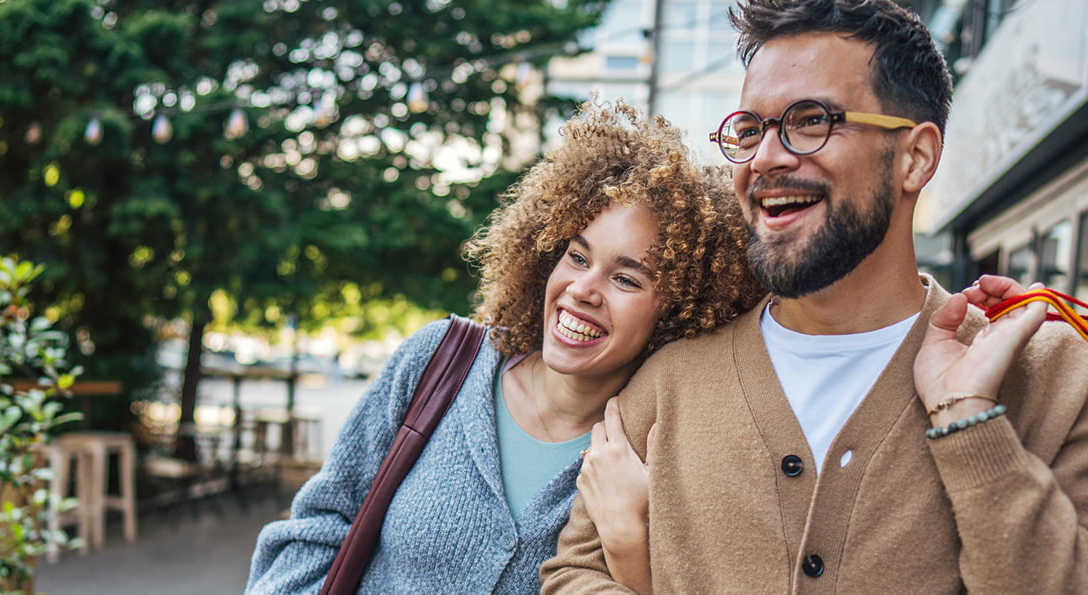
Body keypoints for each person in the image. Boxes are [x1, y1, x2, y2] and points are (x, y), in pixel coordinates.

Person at [542, 1, 1088, 592]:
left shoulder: (1057, 376)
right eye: (750, 130)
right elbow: (573, 575)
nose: (767, 158)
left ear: (916, 157)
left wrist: (970, 424)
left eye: (810, 121)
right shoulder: (666, 388)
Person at [246, 101, 763, 594]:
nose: (583, 289)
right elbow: (318, 527)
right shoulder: (440, 362)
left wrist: (631, 534)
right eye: (577, 258)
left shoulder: (663, 448)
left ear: (679, 310)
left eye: (627, 280)